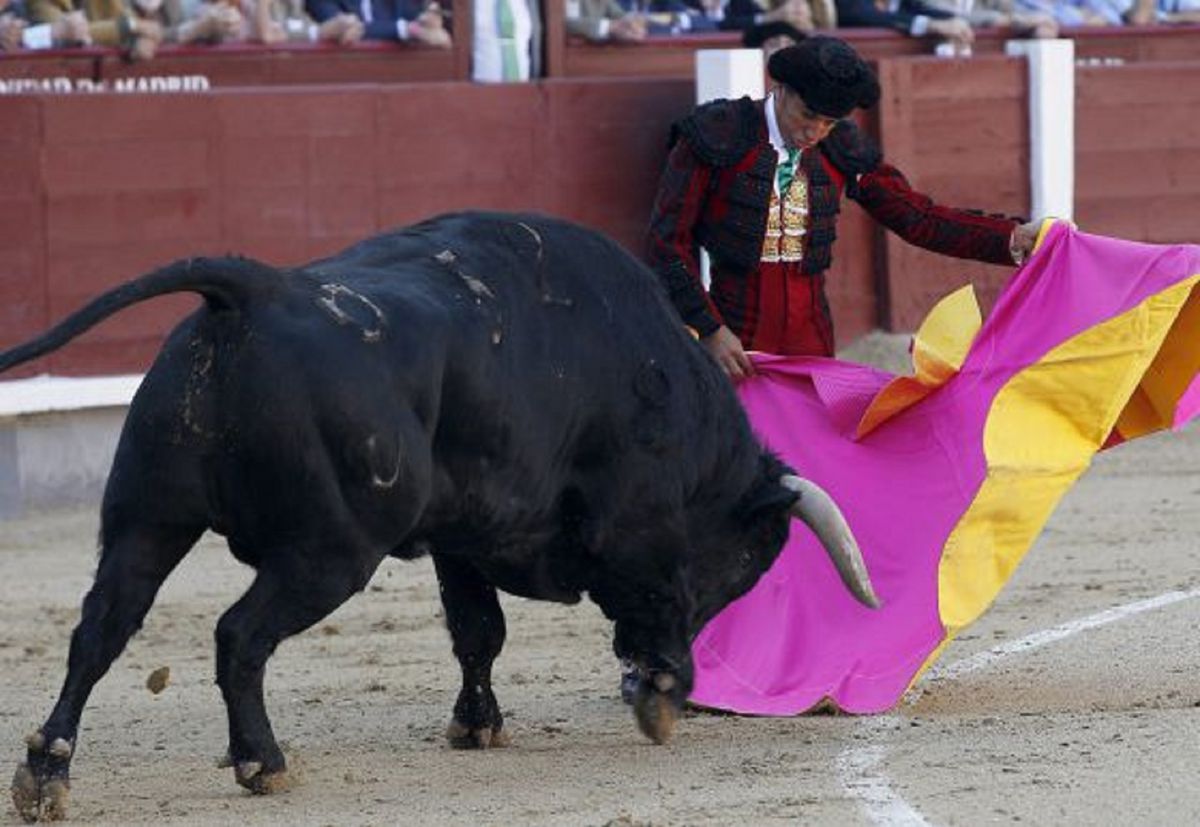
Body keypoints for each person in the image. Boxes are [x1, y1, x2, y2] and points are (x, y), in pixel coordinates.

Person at [644, 35, 1039, 380]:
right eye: (808, 116)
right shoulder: (719, 133)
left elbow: (916, 217)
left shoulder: (841, 148)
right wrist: (708, 326)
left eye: (829, 123)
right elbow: (668, 241)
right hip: (733, 333)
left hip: (811, 340)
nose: (814, 132)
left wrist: (1010, 238)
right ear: (781, 89)